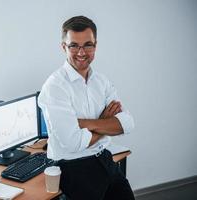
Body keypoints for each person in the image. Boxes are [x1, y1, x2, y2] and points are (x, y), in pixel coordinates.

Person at [38, 16, 135, 200]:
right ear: (63, 47)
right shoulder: (55, 87)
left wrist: (83, 123)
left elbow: (127, 124)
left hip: (104, 159)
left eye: (88, 45)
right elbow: (72, 142)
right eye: (74, 45)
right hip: (74, 168)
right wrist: (106, 122)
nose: (81, 52)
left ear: (95, 46)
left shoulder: (101, 81)